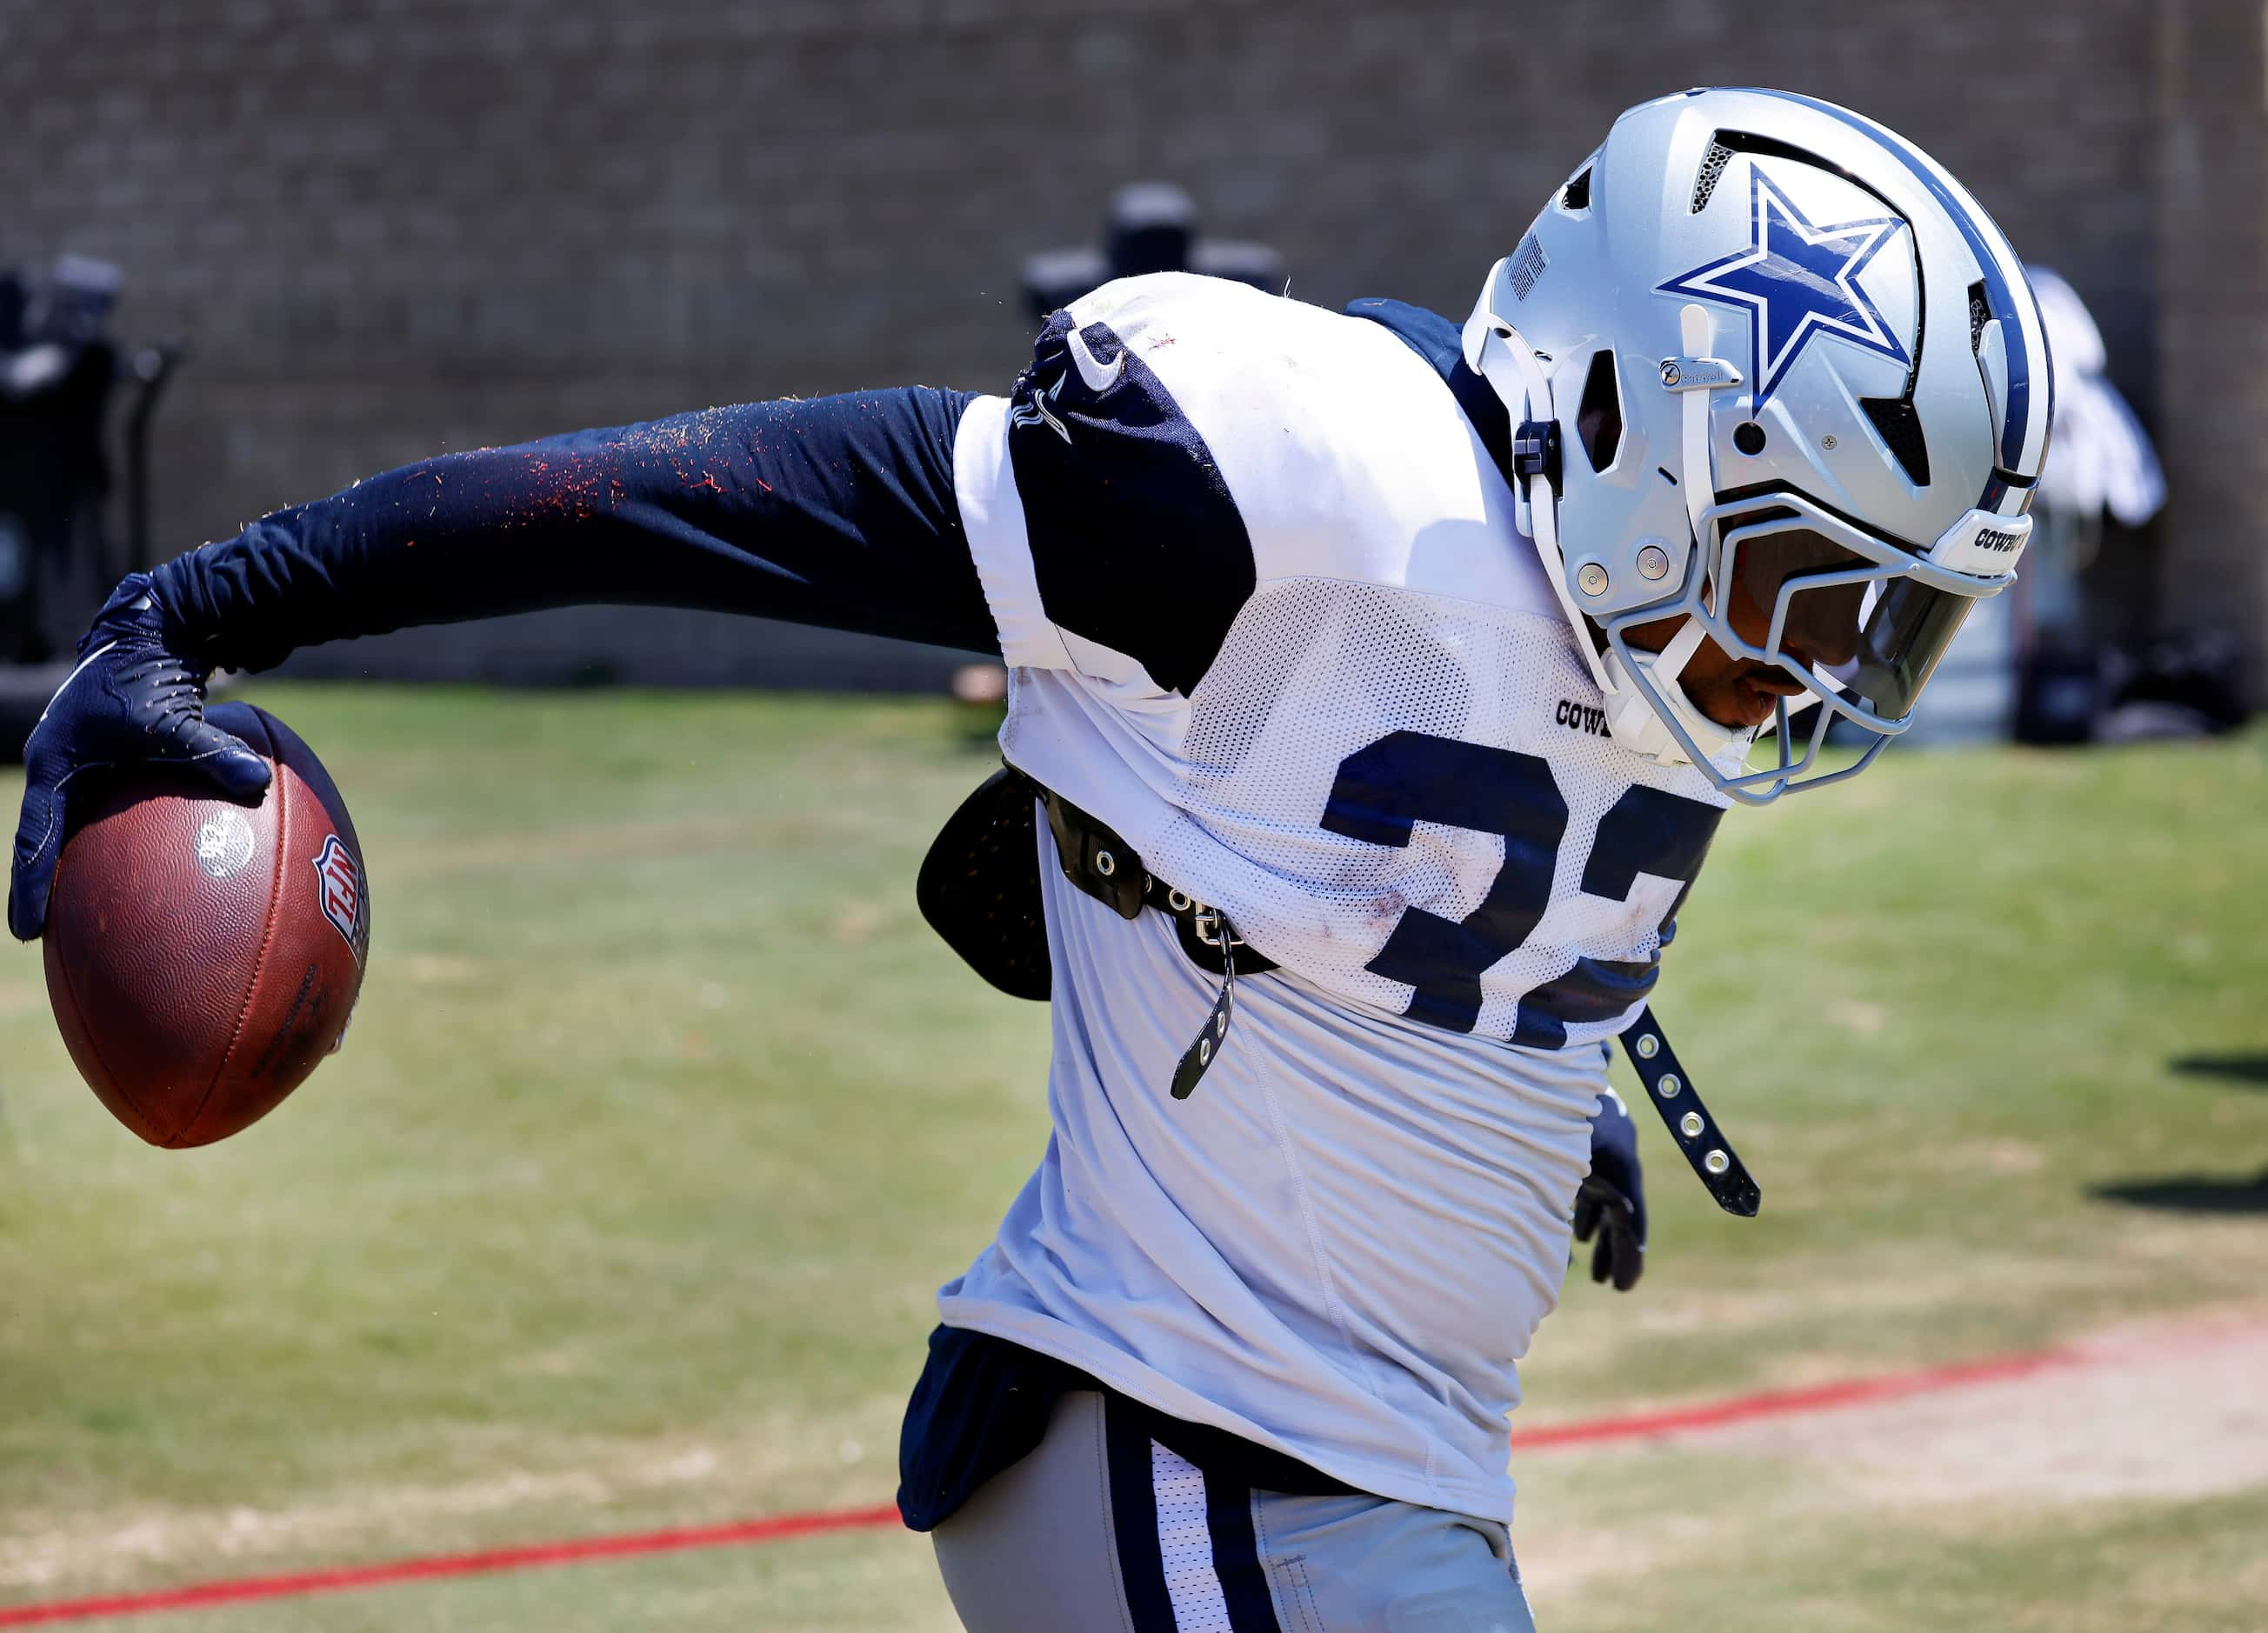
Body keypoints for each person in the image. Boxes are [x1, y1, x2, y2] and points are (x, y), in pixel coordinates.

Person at [8, 88, 2048, 1631]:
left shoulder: (1634, 646)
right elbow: (681, 500)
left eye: (1878, 617)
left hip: (1359, 1468)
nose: (1814, 666)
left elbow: (1411, 851)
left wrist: (1533, 1058)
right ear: (1614, 414)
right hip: (1190, 1443)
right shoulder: (1277, 499)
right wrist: (208, 601)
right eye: (1795, 577)